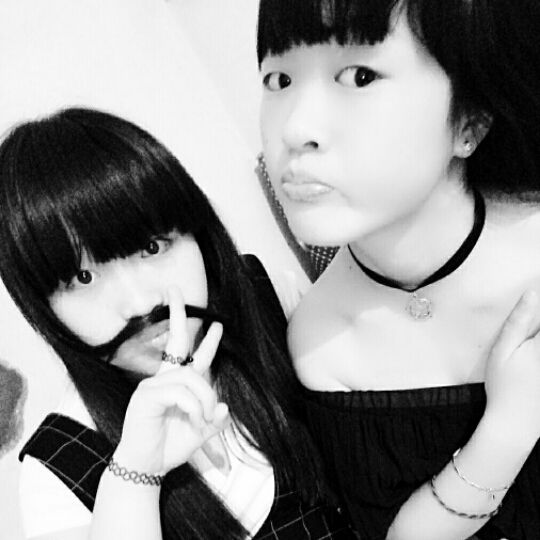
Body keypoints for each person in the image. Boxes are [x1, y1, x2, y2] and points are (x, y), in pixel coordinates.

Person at [0, 107, 355, 540]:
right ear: (44, 309)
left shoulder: (271, 300)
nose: (140, 303)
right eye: (84, 278)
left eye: (153, 247)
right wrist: (136, 476)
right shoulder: (57, 472)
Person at [257, 1, 540, 539]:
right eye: (278, 79)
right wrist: (508, 431)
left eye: (359, 76)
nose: (295, 129)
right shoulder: (322, 343)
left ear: (469, 121)